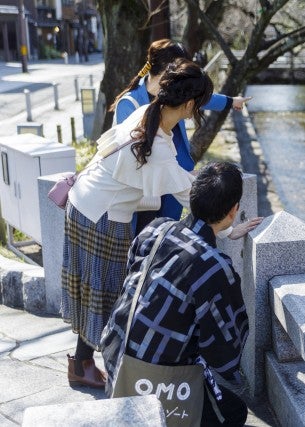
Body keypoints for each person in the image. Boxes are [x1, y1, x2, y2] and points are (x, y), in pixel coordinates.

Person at [61, 58, 260, 389]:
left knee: (96, 291)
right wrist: (230, 229)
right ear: (189, 105)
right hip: (100, 216)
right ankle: (89, 365)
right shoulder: (157, 142)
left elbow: (176, 179)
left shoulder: (147, 114)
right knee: (107, 293)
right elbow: (192, 198)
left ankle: (81, 363)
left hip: (87, 204)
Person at [102, 162, 253, 426]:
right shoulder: (214, 266)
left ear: (192, 197)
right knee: (233, 410)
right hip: (154, 383)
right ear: (233, 211)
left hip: (116, 356)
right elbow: (226, 352)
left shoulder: (155, 229)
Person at [110, 38, 252, 233]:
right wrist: (230, 231)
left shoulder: (174, 95)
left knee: (167, 232)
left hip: (175, 173)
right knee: (141, 236)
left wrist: (230, 101)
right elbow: (130, 158)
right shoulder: (131, 104)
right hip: (148, 186)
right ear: (170, 70)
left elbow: (201, 97)